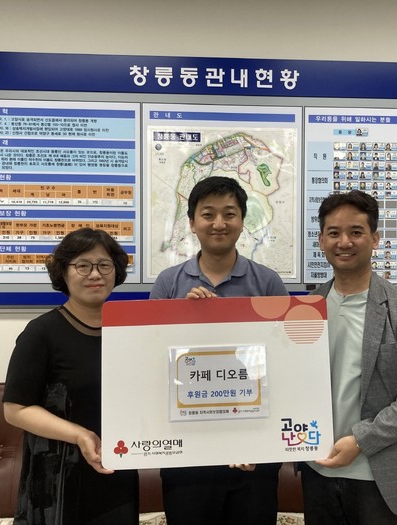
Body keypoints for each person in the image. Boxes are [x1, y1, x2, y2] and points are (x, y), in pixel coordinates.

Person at [150, 176, 288, 525]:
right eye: (208, 214)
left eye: (229, 213)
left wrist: (262, 443)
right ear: (192, 222)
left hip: (253, 454)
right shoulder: (168, 283)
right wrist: (182, 316)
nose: (219, 223)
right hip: (187, 454)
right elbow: (152, 363)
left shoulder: (268, 282)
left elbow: (286, 366)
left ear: (242, 220)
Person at [302, 190, 397, 524]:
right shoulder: (306, 309)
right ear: (321, 241)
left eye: (356, 232)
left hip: (376, 473)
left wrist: (362, 440)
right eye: (334, 233)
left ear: (375, 239)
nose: (344, 242)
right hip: (317, 468)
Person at [3, 228, 138, 524]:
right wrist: (79, 435)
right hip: (57, 480)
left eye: (104, 265)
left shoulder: (128, 333)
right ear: (63, 272)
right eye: (82, 265)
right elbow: (15, 409)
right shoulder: (41, 333)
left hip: (117, 471)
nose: (95, 274)